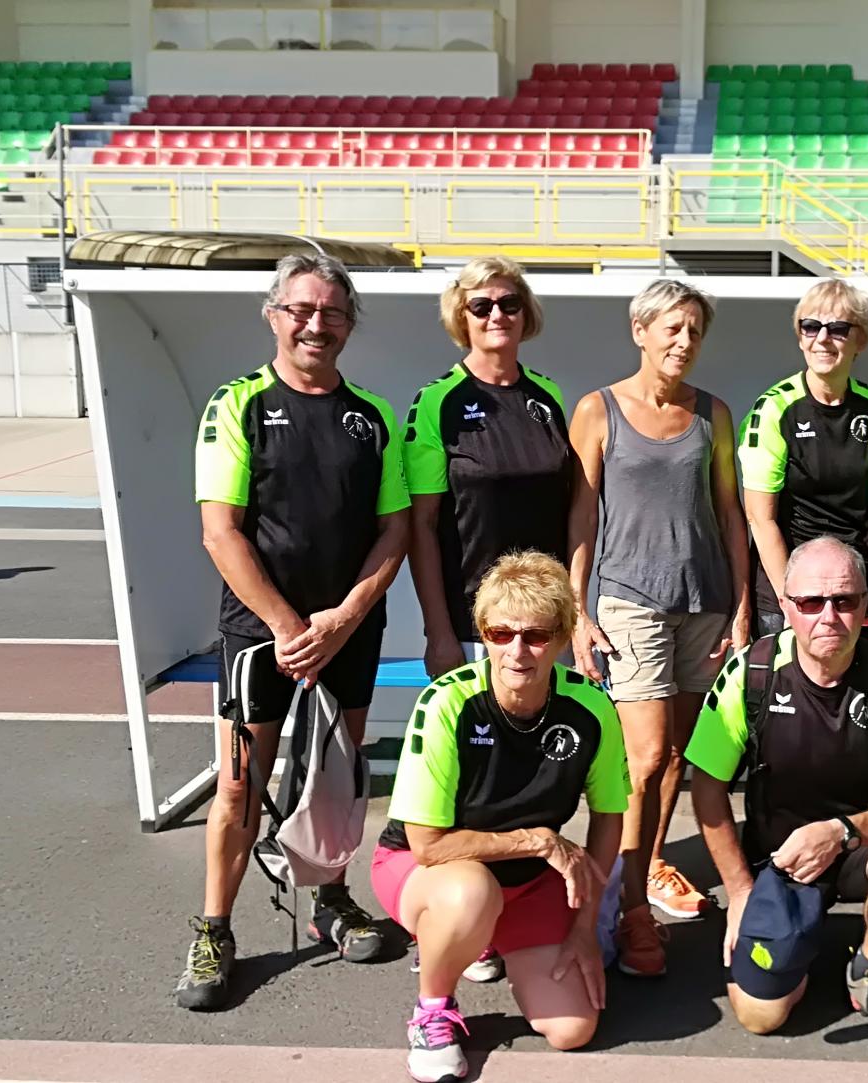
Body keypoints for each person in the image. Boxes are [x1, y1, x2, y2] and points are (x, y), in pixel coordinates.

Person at [179, 253, 411, 1010]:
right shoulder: (237, 404)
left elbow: (395, 528)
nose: (317, 324)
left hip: (346, 633)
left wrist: (342, 618)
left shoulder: (372, 415)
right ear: (273, 314)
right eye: (302, 310)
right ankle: (215, 929)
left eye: (333, 312)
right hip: (259, 636)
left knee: (333, 784)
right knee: (241, 787)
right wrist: (287, 625)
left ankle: (330, 902)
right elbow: (222, 533)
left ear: (349, 323)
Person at [371, 551, 629, 1083]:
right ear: (483, 634)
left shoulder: (593, 709)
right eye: (500, 632)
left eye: (536, 636)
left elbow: (608, 818)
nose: (517, 651)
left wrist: (584, 927)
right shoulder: (446, 703)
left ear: (561, 639)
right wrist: (536, 840)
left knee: (572, 1029)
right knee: (470, 894)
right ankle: (433, 1011)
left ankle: (489, 938)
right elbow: (428, 847)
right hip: (426, 872)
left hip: (527, 881)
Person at [686, 537, 868, 1050]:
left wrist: (843, 832)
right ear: (786, 607)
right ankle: (789, 941)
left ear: (865, 606)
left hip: (856, 847)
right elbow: (707, 788)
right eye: (810, 603)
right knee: (761, 1016)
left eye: (845, 601)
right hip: (777, 860)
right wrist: (739, 891)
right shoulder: (752, 672)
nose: (828, 617)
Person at [567, 279, 752, 976]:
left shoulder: (714, 414)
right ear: (640, 330)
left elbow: (729, 513)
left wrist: (740, 604)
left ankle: (639, 874)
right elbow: (581, 516)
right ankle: (621, 905)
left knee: (677, 758)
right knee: (642, 759)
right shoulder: (598, 409)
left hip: (701, 601)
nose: (683, 342)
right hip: (628, 599)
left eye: (694, 331)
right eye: (671, 328)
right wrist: (577, 611)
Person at [406, 255, 575, 686]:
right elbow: (421, 527)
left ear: (525, 312)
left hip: (545, 623)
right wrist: (438, 632)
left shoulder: (548, 394)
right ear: (462, 316)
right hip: (475, 627)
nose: (497, 314)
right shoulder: (436, 401)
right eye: (481, 306)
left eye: (509, 303)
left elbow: (570, 509)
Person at [740, 280, 868, 637]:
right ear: (800, 336)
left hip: (854, 589)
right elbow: (761, 520)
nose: (823, 339)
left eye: (839, 329)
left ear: (861, 341)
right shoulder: (774, 408)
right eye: (811, 326)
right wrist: (790, 602)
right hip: (790, 592)